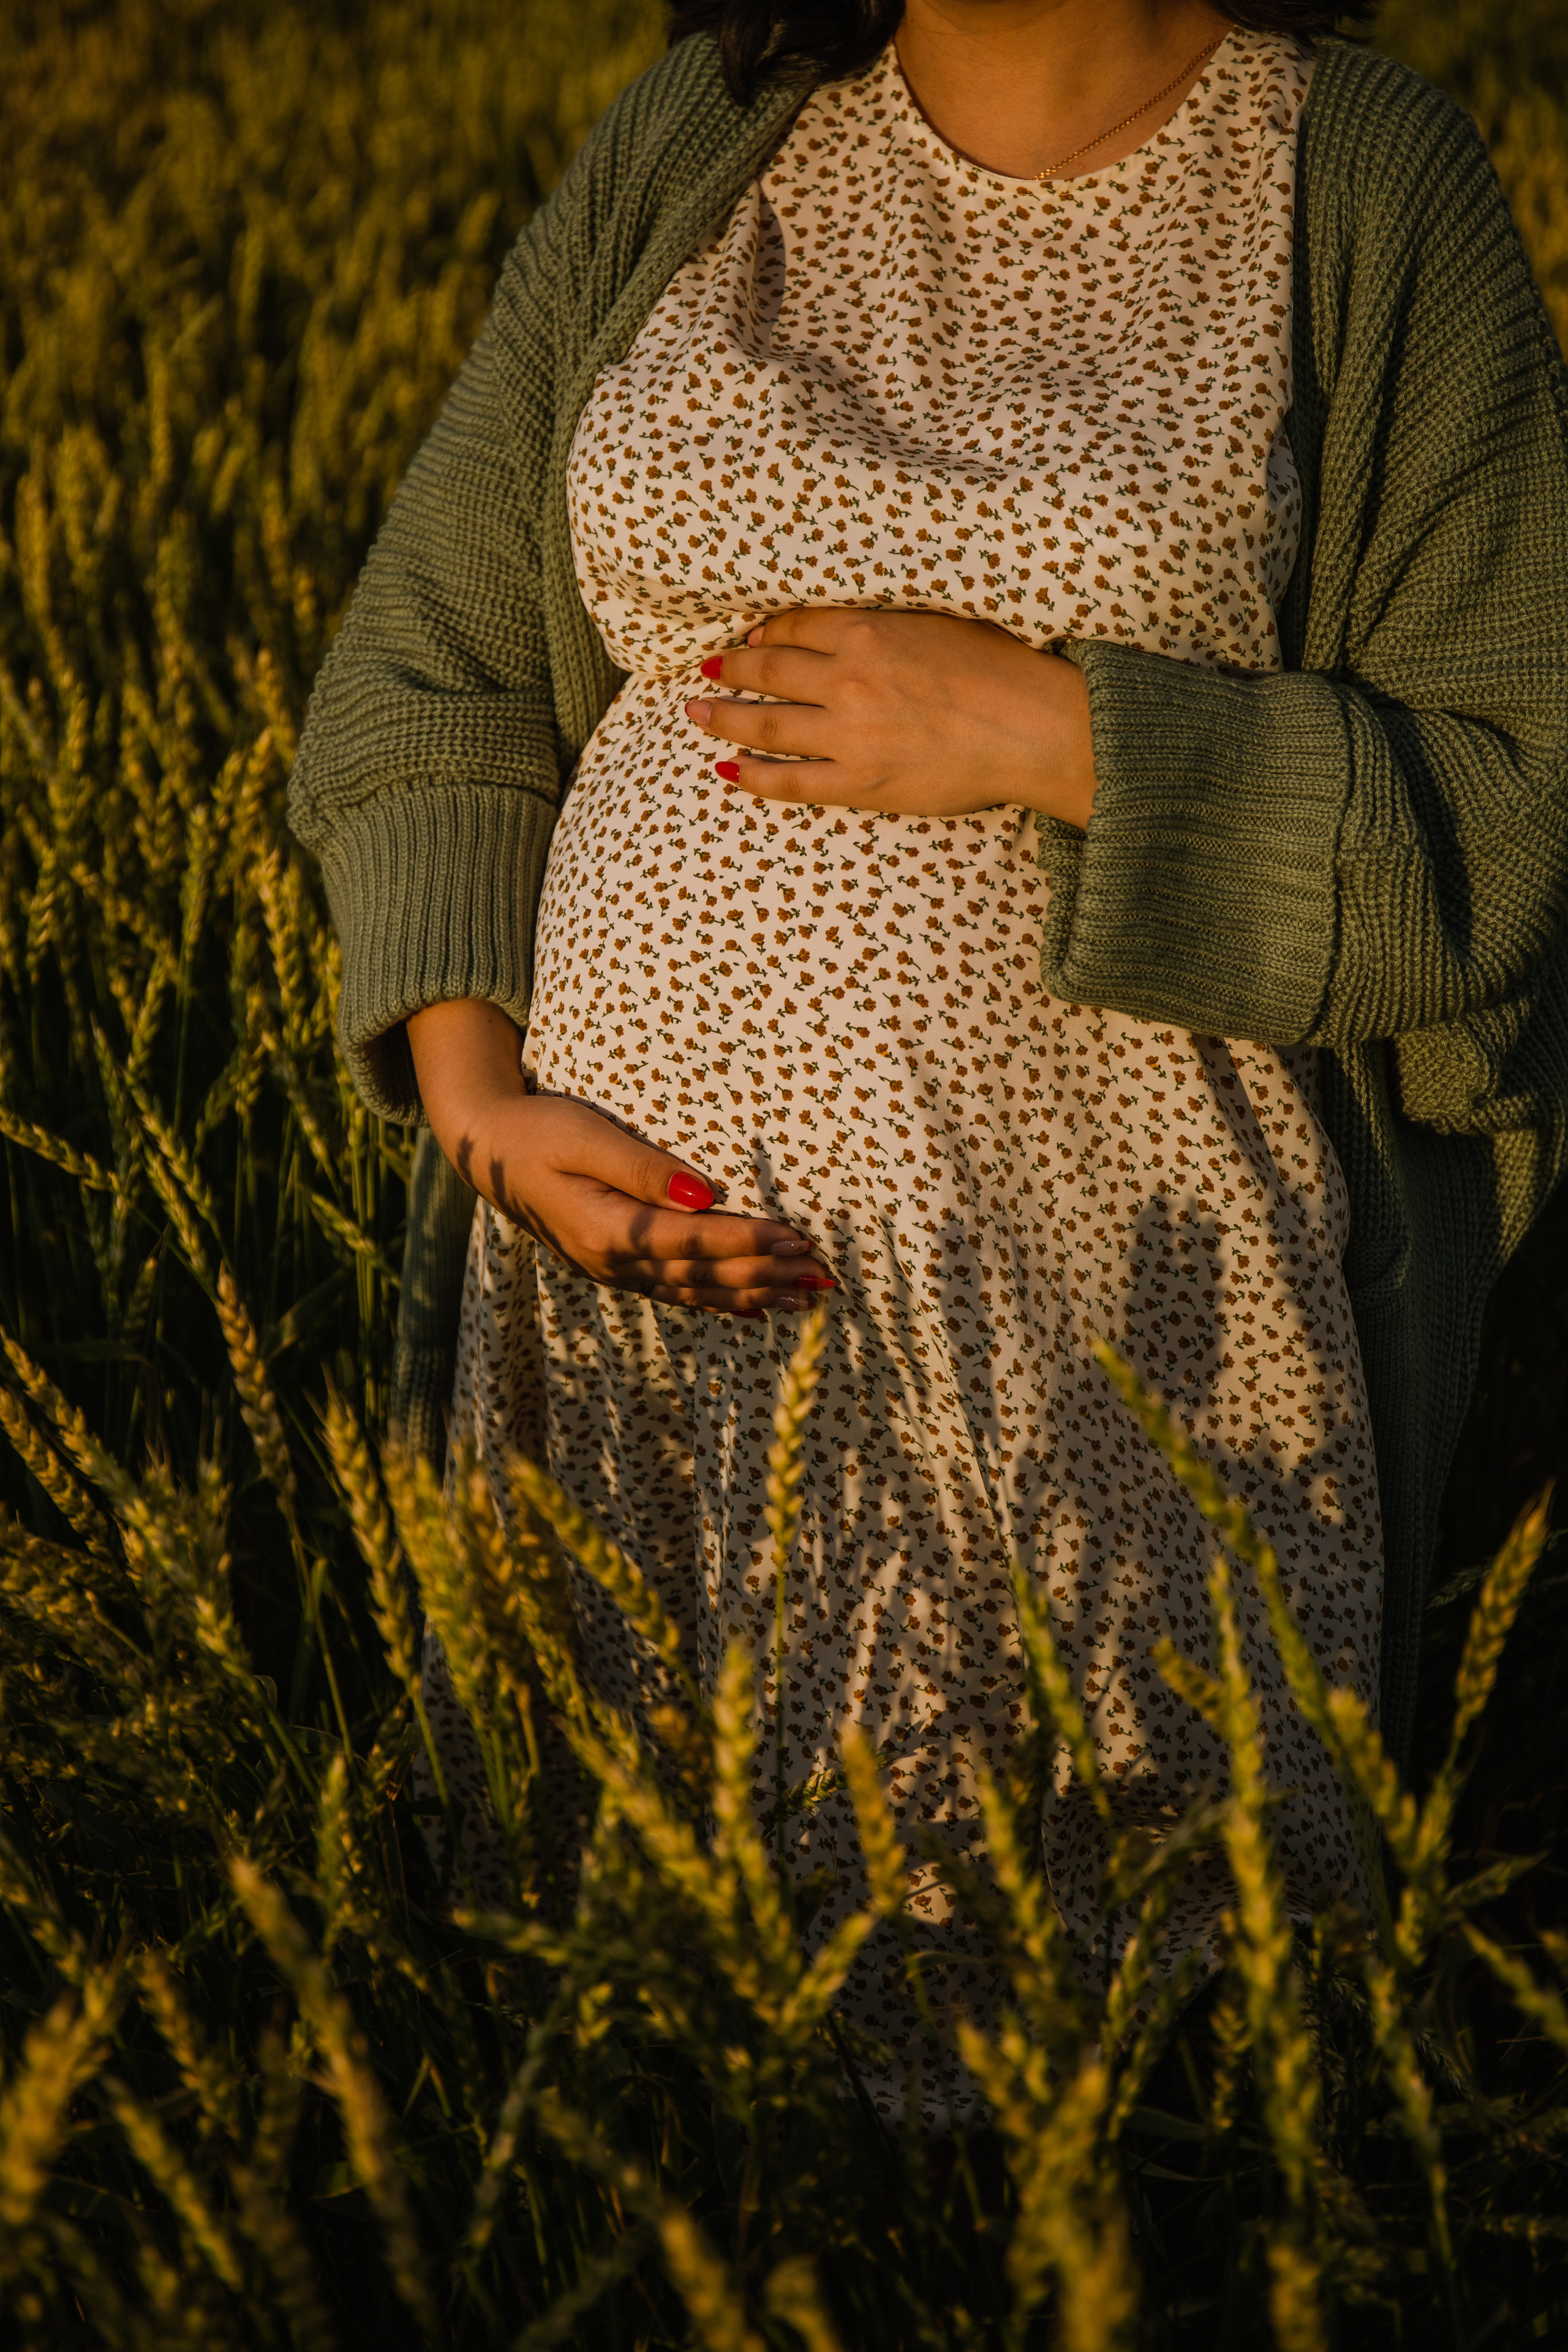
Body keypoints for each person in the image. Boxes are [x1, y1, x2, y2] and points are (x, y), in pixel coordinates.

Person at [289, 0, 1568, 2126]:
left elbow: (1511, 809)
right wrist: (480, 1102)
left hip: (1118, 1340)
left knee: (1094, 2087)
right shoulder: (712, 132)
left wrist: (1058, 736)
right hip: (627, 1318)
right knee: (650, 2066)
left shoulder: (1362, 176)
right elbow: (428, 656)